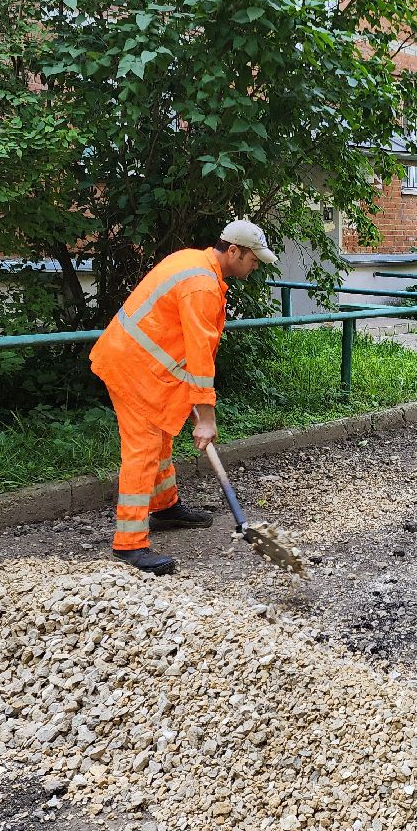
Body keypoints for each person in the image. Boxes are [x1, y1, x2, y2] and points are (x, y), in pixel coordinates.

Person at [89, 220, 277, 575]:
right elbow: (199, 355)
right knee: (144, 451)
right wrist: (206, 417)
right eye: (253, 259)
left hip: (144, 365)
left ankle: (165, 508)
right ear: (233, 251)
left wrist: (191, 395)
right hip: (135, 370)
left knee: (161, 438)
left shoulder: (194, 262)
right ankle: (129, 544)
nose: (256, 266)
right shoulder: (201, 285)